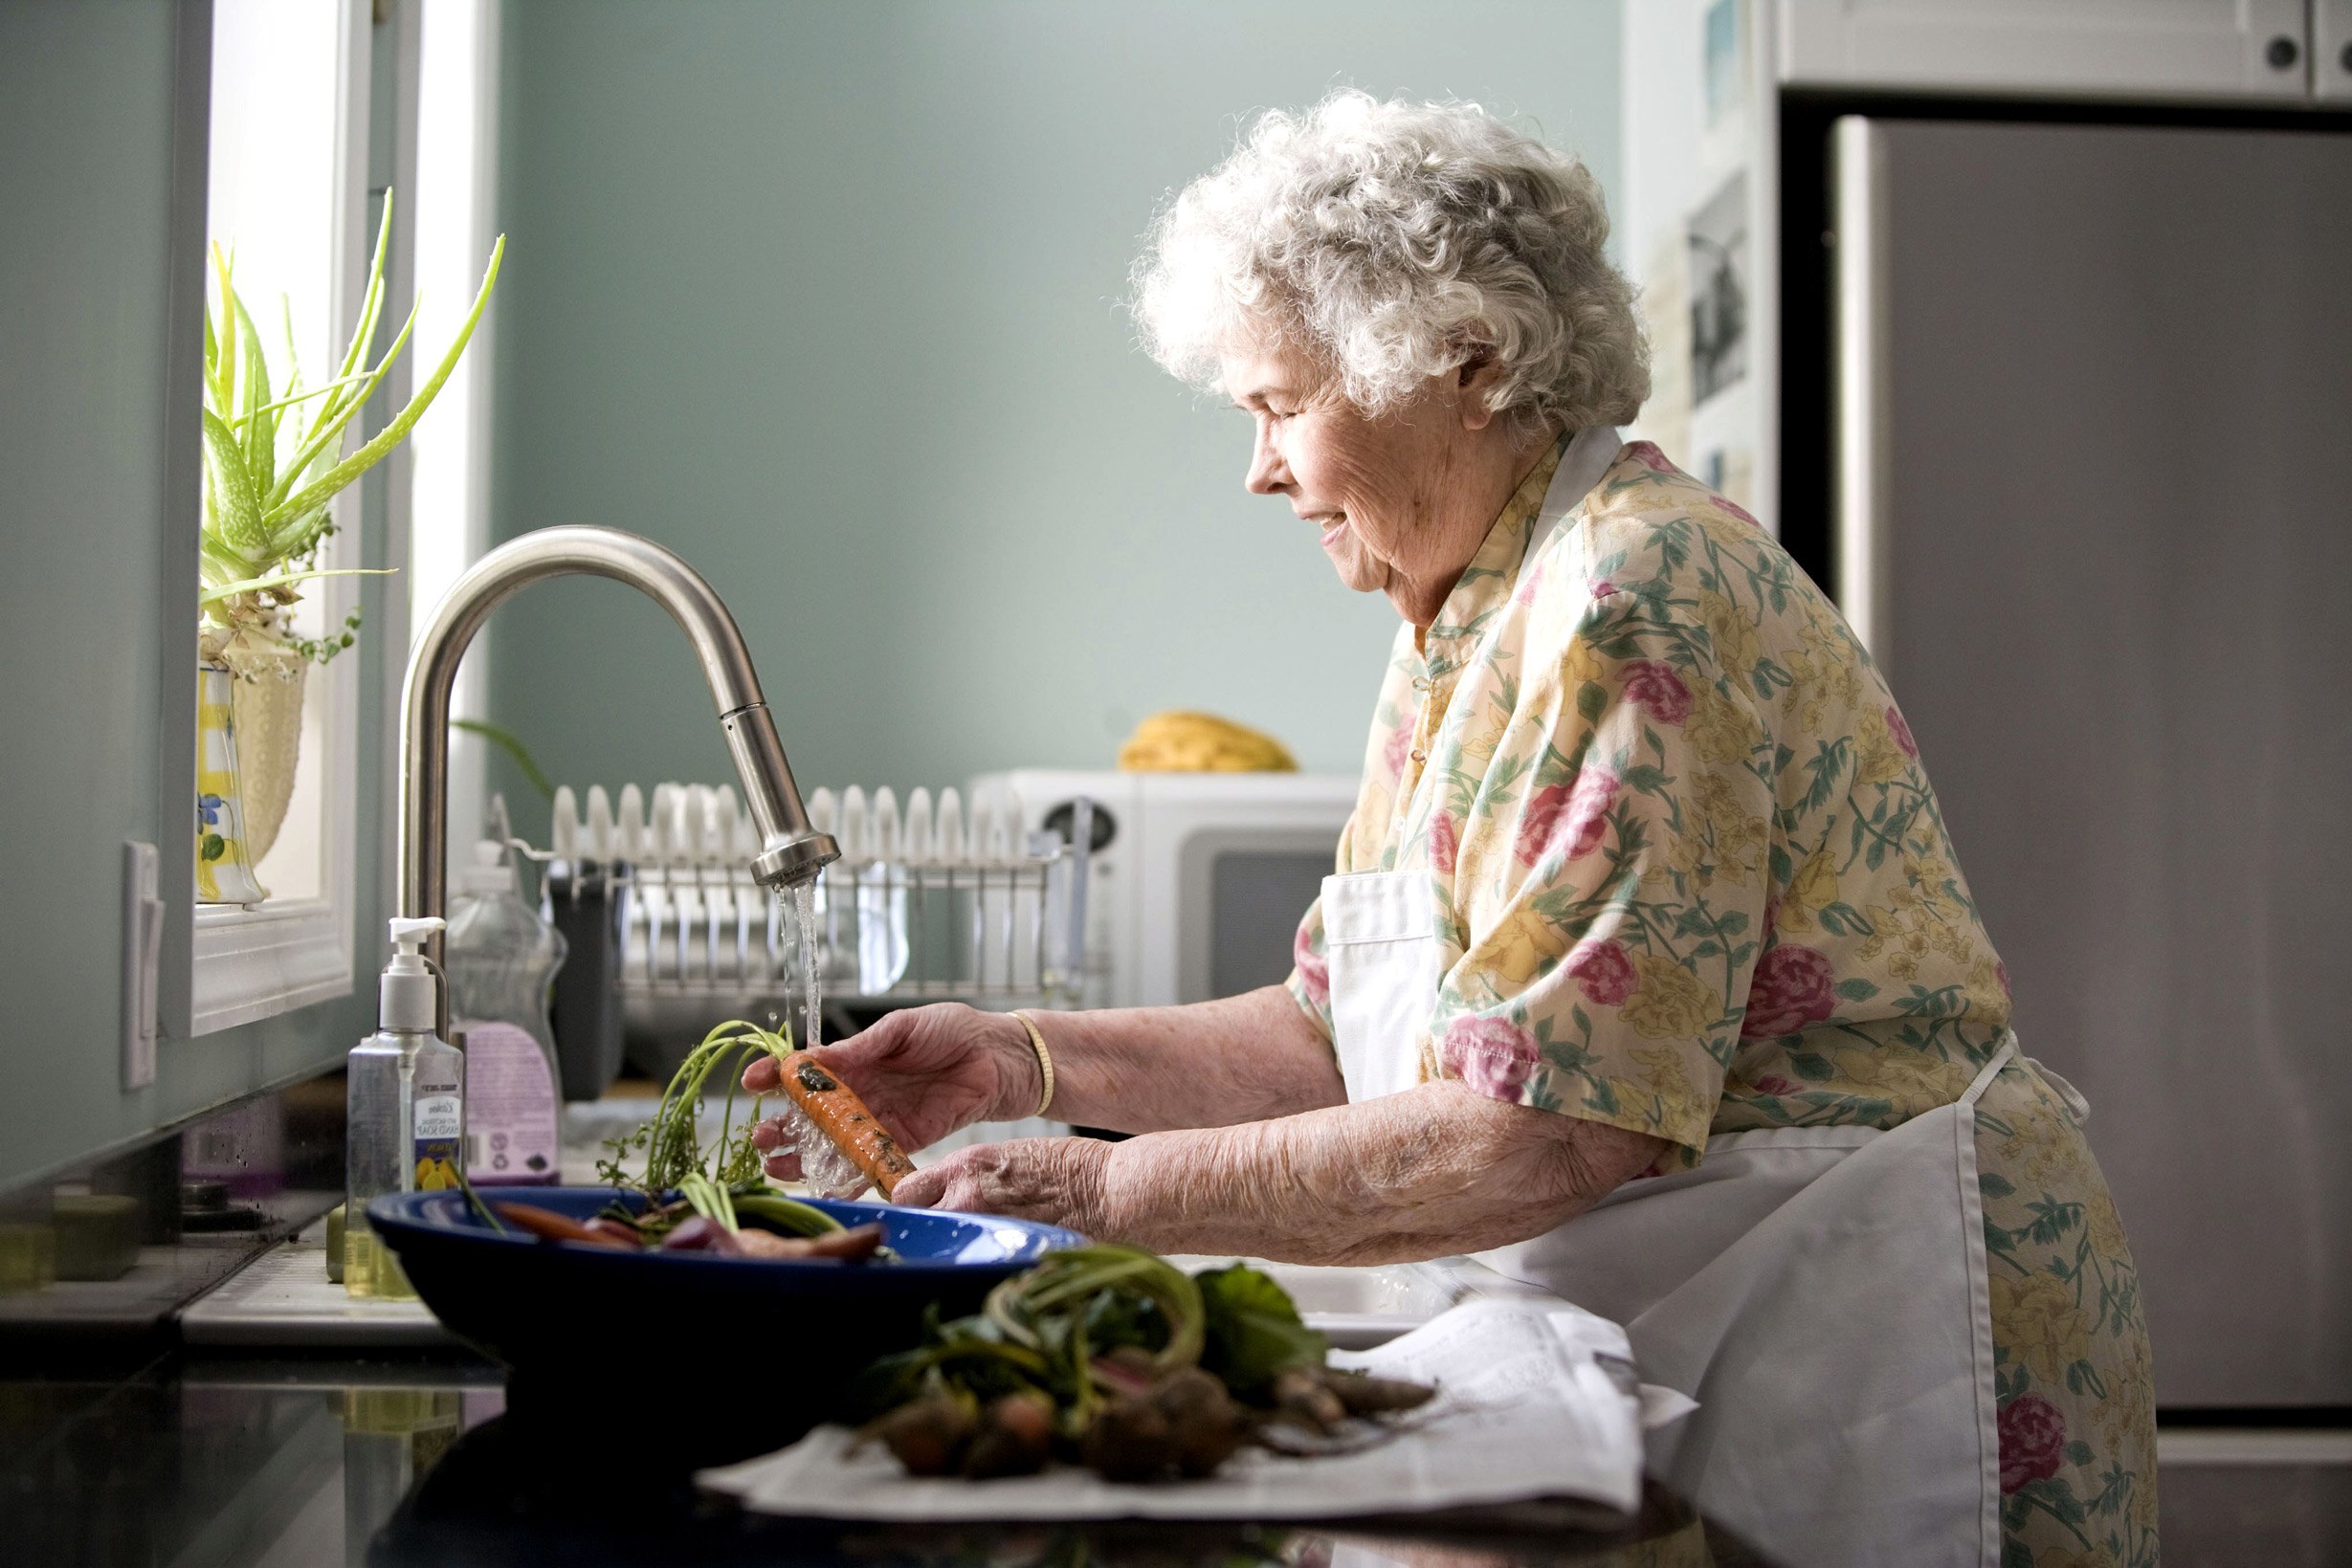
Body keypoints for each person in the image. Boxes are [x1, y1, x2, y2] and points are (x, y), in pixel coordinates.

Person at [746, 92, 2155, 1568]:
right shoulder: (1461, 617)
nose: (1259, 469)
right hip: (1698, 1306)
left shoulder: (1630, 596)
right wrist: (1021, 1063)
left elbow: (1544, 1128)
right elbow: (1327, 1033)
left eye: (1281, 406)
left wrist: (1096, 1188)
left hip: (1857, 1326)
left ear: (1465, 363)